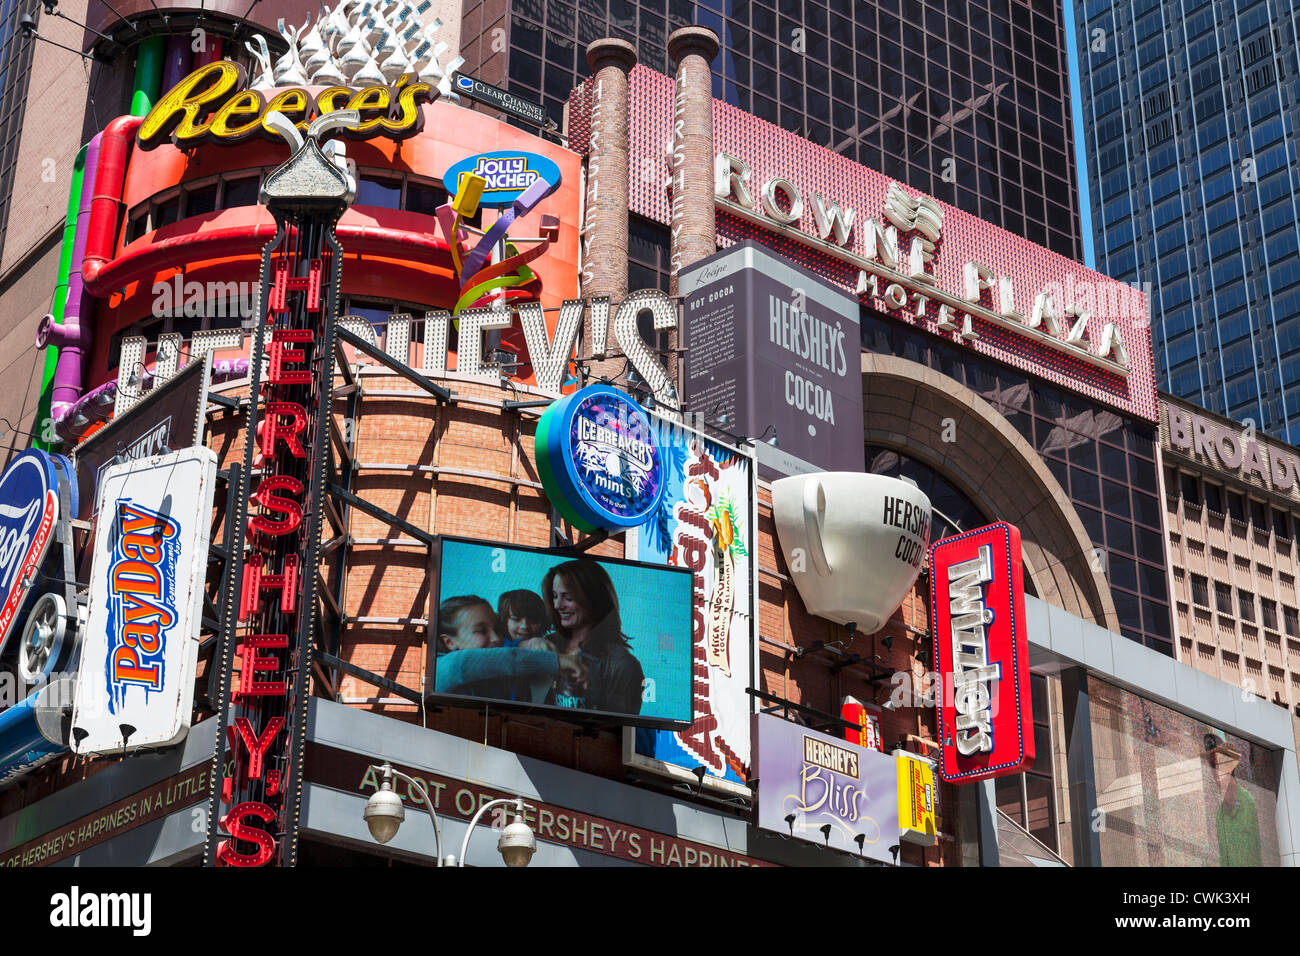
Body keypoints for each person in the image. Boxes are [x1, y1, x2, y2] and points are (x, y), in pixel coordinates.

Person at [541, 560, 644, 715]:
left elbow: (617, 728)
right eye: (555, 596)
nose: (557, 605)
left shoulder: (622, 665)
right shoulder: (547, 645)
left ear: (593, 599)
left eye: (567, 597)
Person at [434, 595, 586, 700]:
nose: (496, 638)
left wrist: (523, 644)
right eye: (481, 631)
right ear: (449, 642)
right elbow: (504, 659)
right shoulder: (443, 667)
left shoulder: (501, 679)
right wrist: (557, 661)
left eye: (498, 629)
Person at [1204, 729, 1262, 867]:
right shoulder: (1220, 814)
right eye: (1215, 767)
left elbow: (1255, 851)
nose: (1216, 774)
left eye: (1220, 766)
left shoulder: (1247, 802)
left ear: (1230, 768)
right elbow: (1224, 857)